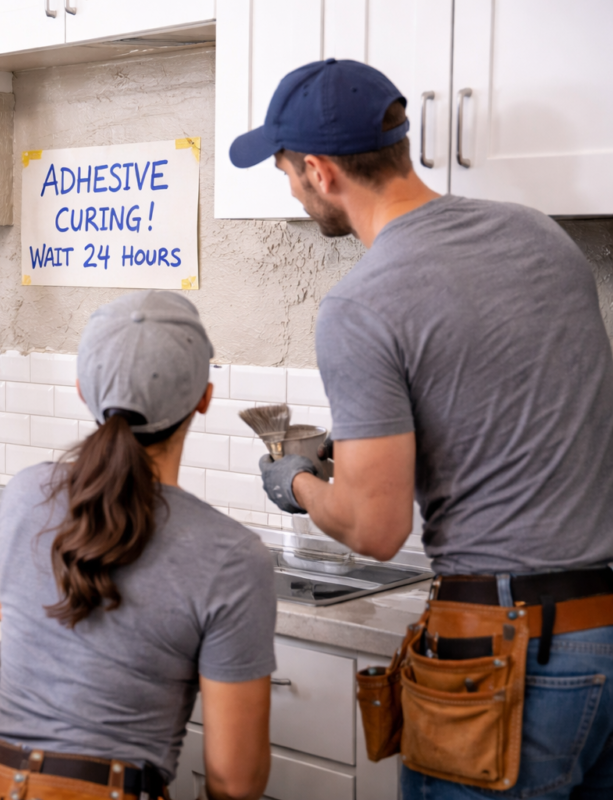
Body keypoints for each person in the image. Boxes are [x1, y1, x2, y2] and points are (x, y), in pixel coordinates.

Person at [232, 58, 613, 798]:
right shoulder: (541, 238)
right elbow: (518, 409)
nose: (292, 191)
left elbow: (376, 531)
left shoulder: (363, 303)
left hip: (501, 656)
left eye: (286, 173)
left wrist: (300, 481)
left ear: (320, 171)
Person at [0, 292, 276, 800]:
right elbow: (235, 779)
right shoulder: (233, 556)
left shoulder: (26, 494)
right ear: (204, 397)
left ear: (82, 391)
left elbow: (19, 621)